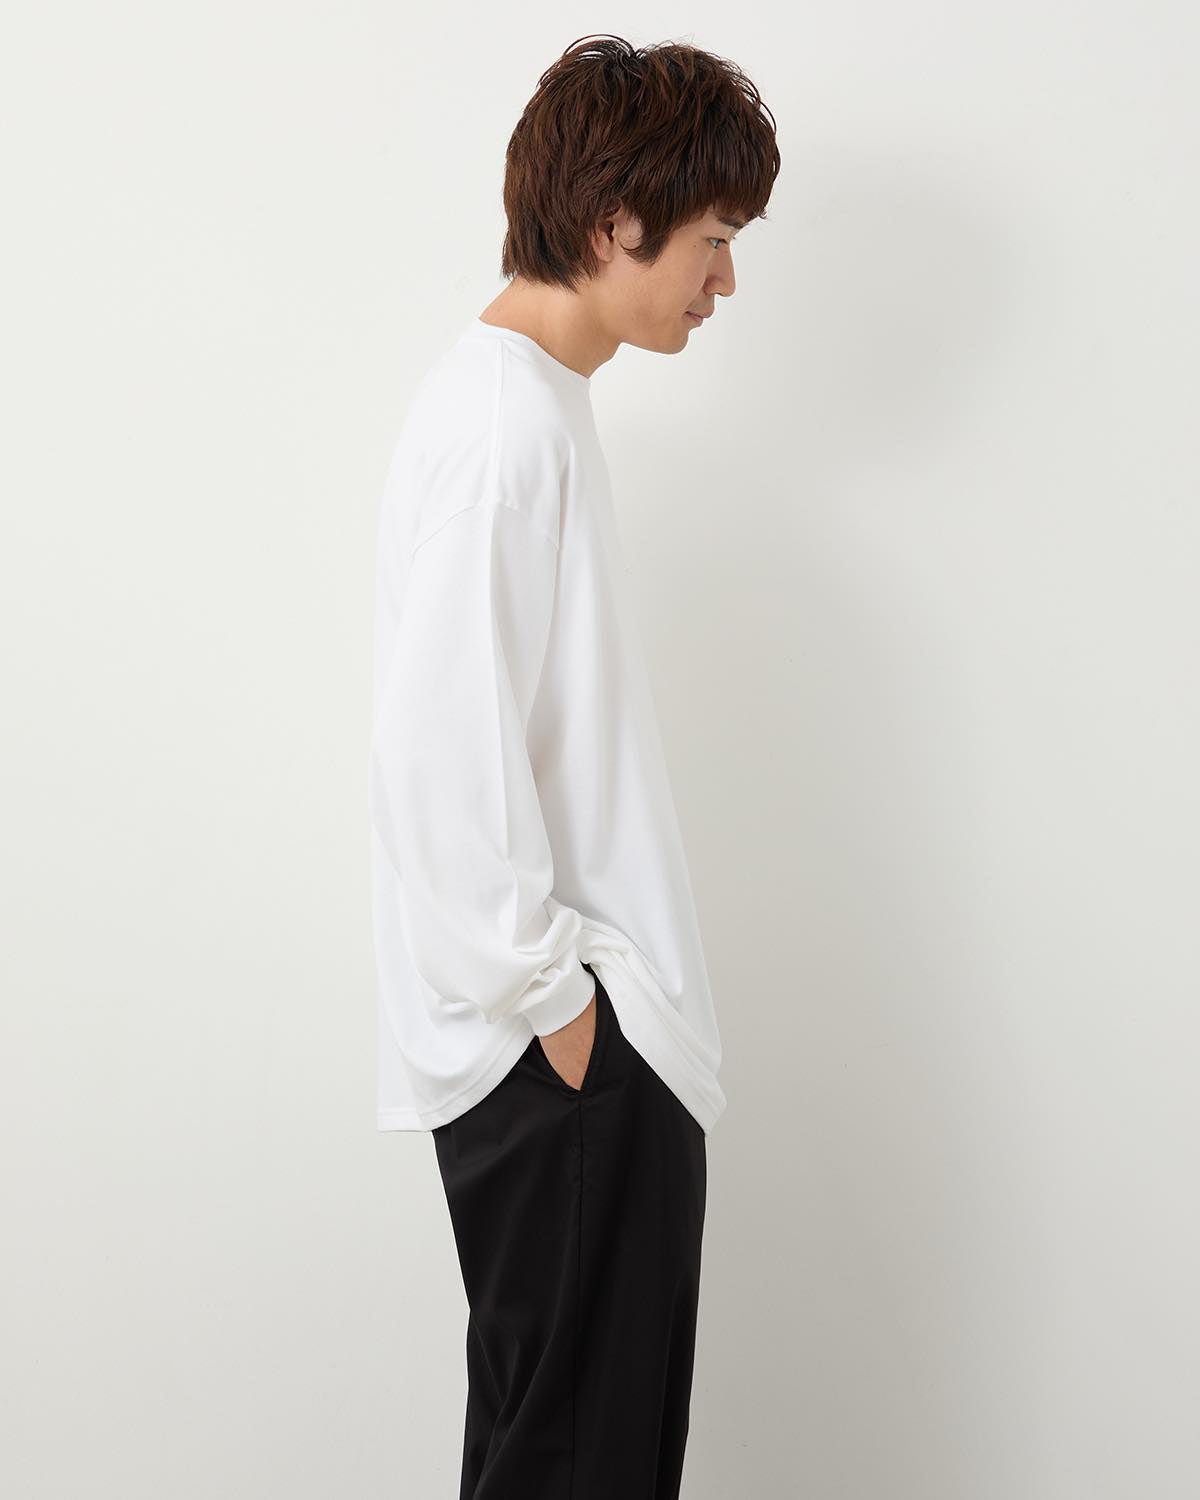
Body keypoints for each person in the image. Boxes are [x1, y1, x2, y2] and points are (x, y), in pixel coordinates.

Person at [367, 33, 780, 1499]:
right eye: (712, 240)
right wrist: (555, 1000)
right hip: (563, 1057)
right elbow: (439, 755)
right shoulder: (502, 430)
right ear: (616, 224)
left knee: (560, 1457)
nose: (723, 282)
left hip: (572, 1050)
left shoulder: (528, 404)